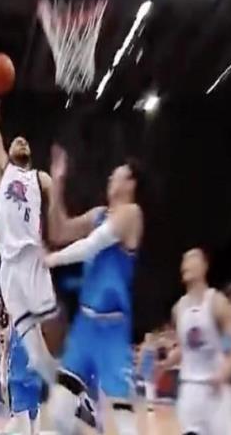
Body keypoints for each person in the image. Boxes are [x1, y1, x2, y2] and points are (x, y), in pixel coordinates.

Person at [45, 145, 145, 435]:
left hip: (113, 329)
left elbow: (91, 246)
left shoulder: (131, 214)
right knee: (58, 413)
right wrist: (57, 184)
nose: (111, 179)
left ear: (131, 184)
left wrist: (51, 260)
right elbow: (59, 231)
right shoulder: (99, 214)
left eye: (118, 175)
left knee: (124, 422)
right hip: (85, 327)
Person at [0, 95, 57, 385]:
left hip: (32, 259)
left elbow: (59, 213)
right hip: (8, 268)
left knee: (53, 333)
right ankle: (65, 391)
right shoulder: (3, 171)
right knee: (36, 355)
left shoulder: (41, 178)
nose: (21, 142)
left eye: (25, 141)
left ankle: (75, 381)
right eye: (16, 141)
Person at [159, 248, 231, 435]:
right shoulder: (178, 309)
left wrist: (226, 371)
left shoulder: (217, 301)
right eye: (184, 261)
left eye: (192, 259)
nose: (186, 264)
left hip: (216, 391)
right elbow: (183, 347)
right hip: (189, 389)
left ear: (204, 266)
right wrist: (166, 363)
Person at [2, 322, 42, 435]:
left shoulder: (36, 327)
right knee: (24, 426)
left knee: (35, 425)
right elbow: (5, 355)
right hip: (17, 381)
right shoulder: (10, 331)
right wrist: (3, 378)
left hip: (34, 381)